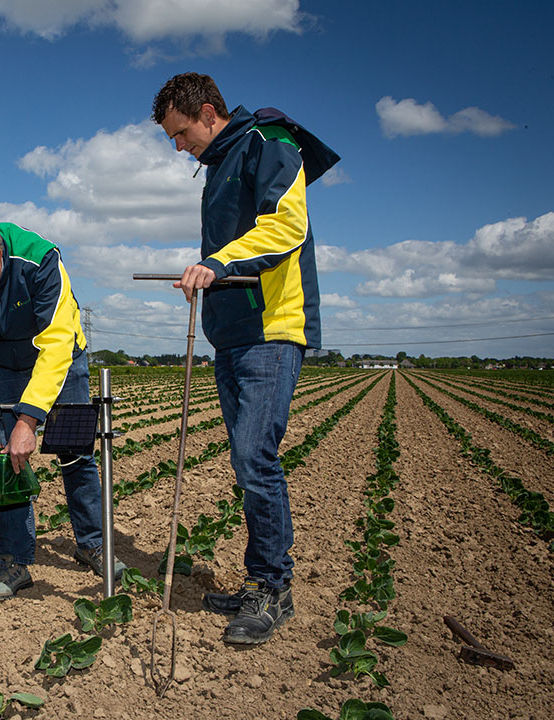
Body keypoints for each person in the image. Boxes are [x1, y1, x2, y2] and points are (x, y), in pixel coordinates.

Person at [151, 72, 337, 644]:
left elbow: (285, 225)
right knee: (244, 460)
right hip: (232, 335)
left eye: (181, 133)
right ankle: (259, 578)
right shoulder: (217, 169)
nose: (179, 147)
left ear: (209, 112)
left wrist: (220, 265)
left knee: (256, 457)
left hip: (271, 330)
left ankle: (274, 590)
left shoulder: (269, 142)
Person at [0, 212, 125, 601]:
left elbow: (56, 343)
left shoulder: (40, 260)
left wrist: (29, 419)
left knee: (75, 453)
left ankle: (93, 544)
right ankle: (12, 559)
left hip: (60, 359)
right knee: (3, 461)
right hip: (1, 363)